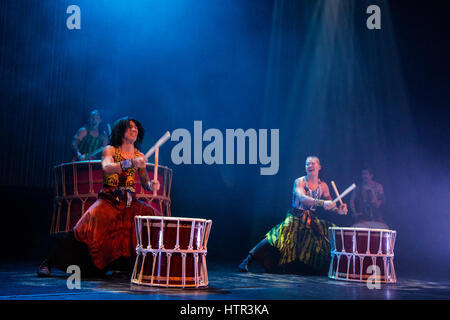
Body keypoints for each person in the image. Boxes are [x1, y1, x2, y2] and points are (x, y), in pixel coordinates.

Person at [38, 117, 161, 277]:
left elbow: (145, 184)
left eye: (136, 127)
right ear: (121, 130)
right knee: (85, 227)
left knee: (152, 217)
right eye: (130, 127)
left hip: (129, 201)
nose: (135, 130)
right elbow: (107, 168)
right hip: (109, 199)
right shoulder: (110, 150)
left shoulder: (139, 155)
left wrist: (152, 185)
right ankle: (49, 262)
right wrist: (130, 163)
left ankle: (133, 267)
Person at [238, 156, 348, 275]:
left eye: (312, 163)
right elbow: (302, 198)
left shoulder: (324, 186)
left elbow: (330, 206)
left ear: (319, 167)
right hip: (295, 217)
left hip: (311, 219)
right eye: (307, 164)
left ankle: (336, 267)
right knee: (277, 235)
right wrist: (322, 203)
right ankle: (247, 260)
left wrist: (338, 210)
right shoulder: (300, 181)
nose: (309, 166)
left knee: (329, 232)